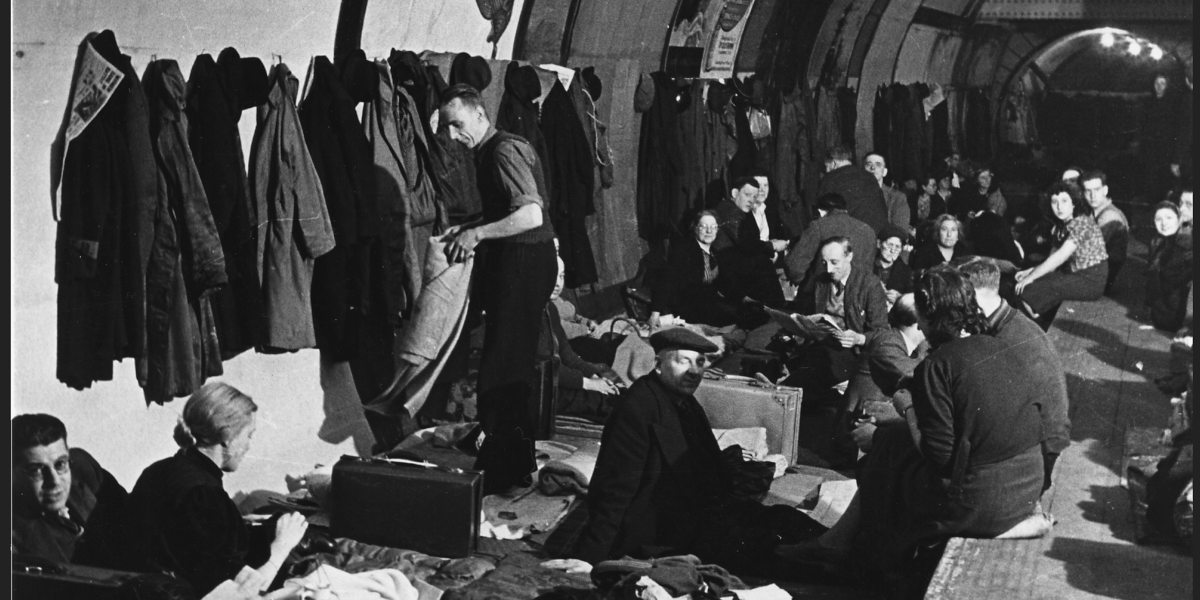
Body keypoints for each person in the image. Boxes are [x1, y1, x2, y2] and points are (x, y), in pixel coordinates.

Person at [783, 266, 1049, 598]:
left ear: (927, 317)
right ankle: (839, 544)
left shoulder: (940, 365)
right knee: (891, 442)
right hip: (1025, 485)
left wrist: (905, 405)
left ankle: (868, 567)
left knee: (892, 465)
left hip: (983, 504)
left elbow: (939, 456)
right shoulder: (999, 346)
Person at [571, 328, 819, 570]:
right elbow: (616, 489)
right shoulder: (637, 409)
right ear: (658, 364)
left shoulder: (684, 401)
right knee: (776, 552)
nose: (694, 371)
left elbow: (711, 466)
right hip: (662, 531)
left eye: (700, 363)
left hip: (699, 512)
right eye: (683, 362)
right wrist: (589, 558)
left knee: (785, 519)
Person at [439, 84, 559, 493]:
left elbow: (529, 214)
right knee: (511, 365)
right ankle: (515, 462)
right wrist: (472, 227)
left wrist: (477, 236)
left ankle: (502, 469)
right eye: (447, 129)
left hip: (524, 265)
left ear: (478, 114)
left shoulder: (504, 151)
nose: (453, 136)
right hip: (523, 265)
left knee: (500, 371)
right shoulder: (490, 150)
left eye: (457, 125)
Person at [121, 382, 308, 596]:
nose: (249, 445)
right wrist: (282, 546)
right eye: (249, 435)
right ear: (227, 436)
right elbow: (236, 593)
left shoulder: (159, 470)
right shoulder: (204, 495)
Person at [960, 256, 1070, 493]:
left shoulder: (1007, 340)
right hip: (1044, 440)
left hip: (1037, 455)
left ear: (973, 296)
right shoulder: (1011, 321)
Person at [788, 237, 890, 416]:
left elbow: (881, 332)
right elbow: (809, 313)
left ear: (849, 256)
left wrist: (859, 338)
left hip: (852, 352)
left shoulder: (869, 284)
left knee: (813, 372)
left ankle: (783, 398)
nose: (828, 269)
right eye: (824, 262)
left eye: (834, 262)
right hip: (821, 344)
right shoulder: (821, 281)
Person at [12, 414, 128, 566]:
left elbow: (133, 514)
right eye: (36, 470)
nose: (54, 481)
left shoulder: (83, 469)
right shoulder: (15, 537)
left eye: (60, 464)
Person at [542, 251, 624, 422]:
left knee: (618, 394)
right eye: (551, 275)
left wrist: (595, 375)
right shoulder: (529, 314)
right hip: (541, 390)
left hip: (560, 380)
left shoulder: (551, 309)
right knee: (605, 405)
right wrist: (588, 384)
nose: (558, 283)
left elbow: (569, 356)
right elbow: (547, 368)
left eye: (561, 276)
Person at [1015, 180, 1108, 330]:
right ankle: (1039, 325)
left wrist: (1031, 277)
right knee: (1025, 289)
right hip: (1070, 274)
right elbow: (1051, 259)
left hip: (1090, 280)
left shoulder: (1082, 223)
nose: (1059, 207)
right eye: (1054, 202)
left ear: (1074, 203)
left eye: (1065, 201)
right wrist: (1029, 272)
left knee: (1028, 293)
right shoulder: (1059, 227)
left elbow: (1059, 258)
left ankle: (1039, 329)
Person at [842, 293, 929, 452]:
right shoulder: (887, 345)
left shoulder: (894, 339)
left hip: (879, 417)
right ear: (919, 323)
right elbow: (918, 378)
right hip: (860, 433)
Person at [649, 210, 742, 328]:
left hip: (710, 303)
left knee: (748, 312)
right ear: (695, 228)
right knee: (736, 318)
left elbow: (726, 283)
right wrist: (655, 313)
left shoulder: (715, 253)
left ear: (717, 230)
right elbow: (667, 280)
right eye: (704, 227)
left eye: (713, 227)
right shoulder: (684, 251)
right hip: (689, 307)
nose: (709, 231)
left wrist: (744, 298)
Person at [784, 192, 876, 288]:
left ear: (820, 211)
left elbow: (795, 267)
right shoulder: (868, 231)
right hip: (859, 294)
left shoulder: (818, 226)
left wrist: (799, 280)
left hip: (822, 293)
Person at [1145, 201, 1193, 332]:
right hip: (1162, 314)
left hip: (1180, 316)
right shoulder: (1157, 242)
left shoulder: (1186, 244)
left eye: (1169, 218)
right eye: (1158, 219)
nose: (1164, 223)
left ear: (1179, 220)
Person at [819, 145, 889, 233]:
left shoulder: (830, 178)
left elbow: (823, 214)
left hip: (846, 235)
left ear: (834, 163)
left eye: (826, 166)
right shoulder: (870, 177)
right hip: (875, 234)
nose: (826, 170)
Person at [1080, 170, 1128, 294]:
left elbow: (1086, 250)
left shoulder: (1110, 216)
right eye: (1088, 191)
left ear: (1105, 190)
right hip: (1093, 271)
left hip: (1102, 279)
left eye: (1096, 190)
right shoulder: (1093, 212)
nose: (1092, 196)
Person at [864, 153, 911, 231]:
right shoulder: (855, 195)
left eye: (878, 165)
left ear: (884, 172)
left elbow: (900, 230)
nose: (872, 168)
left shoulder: (897, 198)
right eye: (869, 164)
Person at [873, 225, 913, 305]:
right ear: (879, 244)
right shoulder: (868, 266)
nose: (892, 250)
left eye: (897, 247)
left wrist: (900, 298)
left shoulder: (906, 272)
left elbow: (911, 301)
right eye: (890, 245)